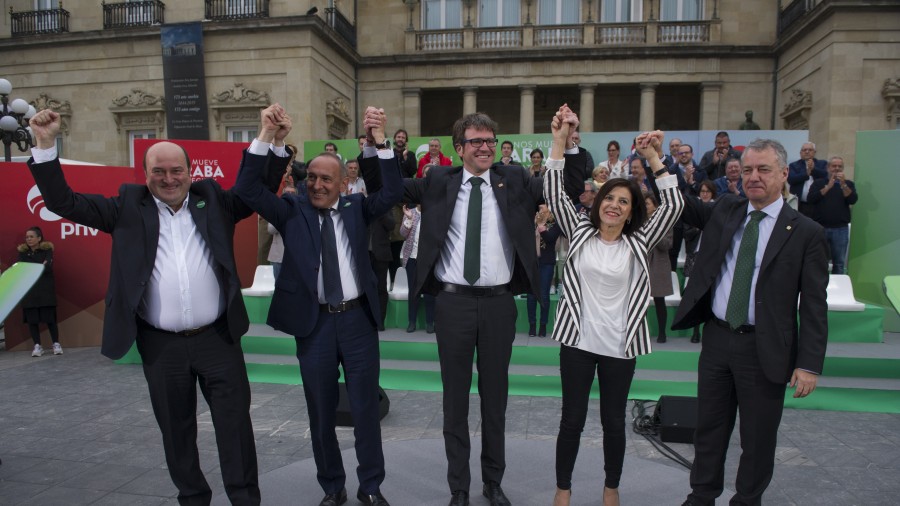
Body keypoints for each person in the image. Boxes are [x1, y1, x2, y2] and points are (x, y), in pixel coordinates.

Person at [27, 104, 292, 505]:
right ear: (146, 174)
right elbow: (64, 202)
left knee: (235, 428)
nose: (169, 179)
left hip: (218, 341)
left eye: (176, 171)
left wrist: (268, 137)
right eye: (158, 172)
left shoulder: (213, 201)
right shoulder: (125, 209)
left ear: (191, 172)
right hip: (161, 346)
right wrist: (45, 145)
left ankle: (245, 499)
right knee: (177, 431)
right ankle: (193, 499)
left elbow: (253, 189)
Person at [233, 106, 400, 506]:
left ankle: (371, 486)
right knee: (321, 414)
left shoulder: (358, 210)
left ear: (344, 183)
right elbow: (247, 191)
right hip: (315, 327)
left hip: (358, 322)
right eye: (312, 178)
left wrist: (379, 139)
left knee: (364, 411)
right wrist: (265, 135)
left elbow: (393, 193)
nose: (318, 185)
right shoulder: (292, 211)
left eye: (327, 179)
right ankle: (332, 487)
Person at [674, 138, 828, 506]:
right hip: (717, 340)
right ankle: (702, 495)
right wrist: (655, 161)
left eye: (763, 170)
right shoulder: (728, 209)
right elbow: (686, 205)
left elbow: (814, 305)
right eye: (747, 170)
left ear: (783, 174)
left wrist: (808, 364)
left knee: (758, 437)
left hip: (765, 347)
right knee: (709, 429)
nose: (753, 177)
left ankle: (747, 499)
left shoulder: (806, 232)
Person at [544, 105, 683, 506]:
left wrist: (654, 158)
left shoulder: (639, 241)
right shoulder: (580, 231)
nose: (615, 205)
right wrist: (558, 141)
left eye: (624, 202)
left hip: (620, 348)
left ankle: (611, 488)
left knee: (613, 425)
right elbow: (553, 192)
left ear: (630, 211)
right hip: (577, 343)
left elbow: (673, 206)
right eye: (610, 198)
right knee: (571, 421)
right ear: (599, 201)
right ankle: (563, 489)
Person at [807, 156, 857, 274]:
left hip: (840, 229)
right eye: (834, 166)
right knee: (819, 262)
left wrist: (843, 184)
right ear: (828, 168)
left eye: (840, 166)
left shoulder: (848, 184)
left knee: (839, 264)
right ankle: (820, 289)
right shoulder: (819, 183)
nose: (837, 168)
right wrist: (828, 187)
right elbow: (811, 199)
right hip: (820, 228)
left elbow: (852, 200)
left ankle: (839, 290)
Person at [17, 226, 62, 357]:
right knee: (32, 320)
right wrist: (39, 265)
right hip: (29, 290)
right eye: (27, 237)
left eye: (31, 236)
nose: (28, 239)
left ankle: (56, 343)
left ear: (39, 238)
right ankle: (37, 345)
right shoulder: (23, 253)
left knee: (50, 319)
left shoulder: (47, 250)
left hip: (45, 290)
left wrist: (36, 267)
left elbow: (47, 267)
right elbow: (23, 269)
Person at [683, 180, 717, 343]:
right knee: (693, 294)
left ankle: (707, 331)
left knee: (709, 294)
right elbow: (687, 233)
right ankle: (695, 331)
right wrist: (700, 226)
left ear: (712, 193)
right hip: (694, 255)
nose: (704, 194)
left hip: (711, 256)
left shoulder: (719, 210)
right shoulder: (694, 210)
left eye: (707, 191)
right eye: (702, 191)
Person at [399, 202, 435, 333]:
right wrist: (408, 219)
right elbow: (402, 234)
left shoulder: (433, 213)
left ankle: (430, 322)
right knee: (413, 292)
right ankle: (412, 322)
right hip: (412, 259)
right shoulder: (411, 213)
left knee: (430, 293)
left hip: (428, 260)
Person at [527, 204, 562, 338]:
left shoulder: (555, 222)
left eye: (543, 206)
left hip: (546, 262)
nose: (540, 208)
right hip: (532, 261)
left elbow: (550, 239)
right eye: (539, 206)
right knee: (531, 295)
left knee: (544, 295)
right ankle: (532, 325)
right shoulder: (532, 220)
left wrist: (541, 229)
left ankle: (543, 325)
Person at [645, 192, 675, 344]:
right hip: (642, 262)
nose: (645, 207)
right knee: (639, 299)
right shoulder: (638, 221)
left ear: (655, 206)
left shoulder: (665, 222)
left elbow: (668, 244)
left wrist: (654, 232)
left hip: (658, 263)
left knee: (659, 299)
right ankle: (639, 331)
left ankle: (662, 332)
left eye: (647, 204)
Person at [787, 142, 828, 217]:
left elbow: (825, 176)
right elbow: (791, 179)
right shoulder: (794, 165)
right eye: (804, 150)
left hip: (818, 204)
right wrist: (806, 174)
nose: (807, 152)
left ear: (814, 152)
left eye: (810, 150)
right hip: (800, 204)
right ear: (800, 153)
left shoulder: (822, 163)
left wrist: (813, 169)